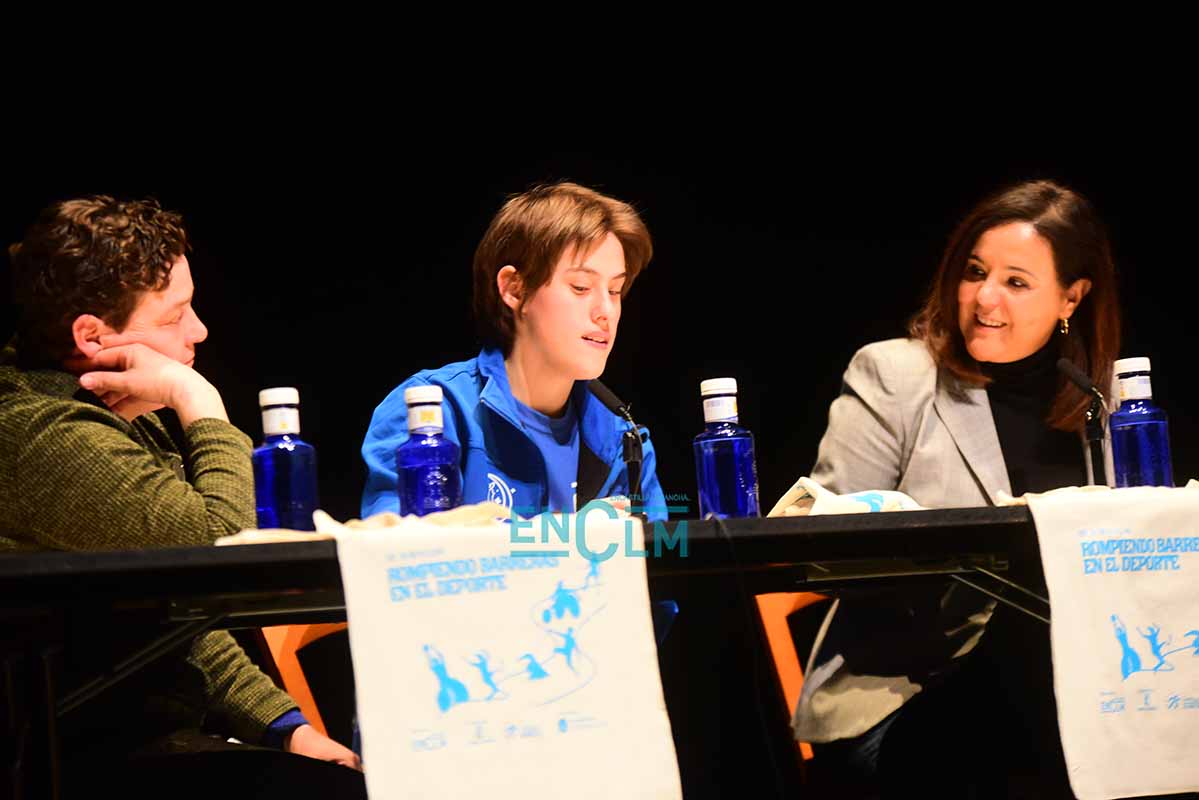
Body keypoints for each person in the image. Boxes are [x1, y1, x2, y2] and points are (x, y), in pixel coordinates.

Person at [0, 196, 365, 798]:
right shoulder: (41, 434)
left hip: (150, 741)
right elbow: (223, 554)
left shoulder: (113, 411)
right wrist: (199, 401)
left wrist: (286, 728)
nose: (199, 331)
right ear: (91, 335)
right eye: (174, 316)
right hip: (75, 762)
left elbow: (176, 619)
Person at [788, 179, 1121, 797]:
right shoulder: (896, 375)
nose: (985, 297)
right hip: (903, 697)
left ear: (1071, 297)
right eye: (975, 272)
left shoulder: (1102, 404)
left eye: (1016, 282)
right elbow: (820, 549)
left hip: (1068, 698)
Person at [361, 182, 667, 522]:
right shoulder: (432, 412)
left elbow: (664, 553)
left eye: (615, 290)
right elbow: (399, 548)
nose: (606, 311)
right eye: (581, 287)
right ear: (514, 289)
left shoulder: (623, 441)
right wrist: (567, 534)